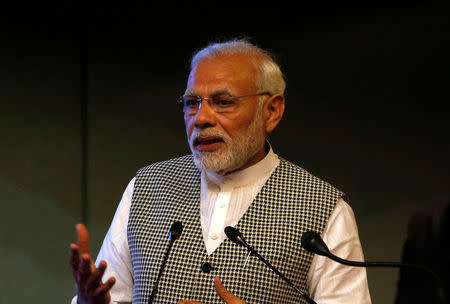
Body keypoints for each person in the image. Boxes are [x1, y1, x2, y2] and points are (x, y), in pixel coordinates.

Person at [70, 38, 372, 304]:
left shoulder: (324, 209)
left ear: (272, 111)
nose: (201, 118)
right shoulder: (147, 187)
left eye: (223, 102)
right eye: (191, 103)